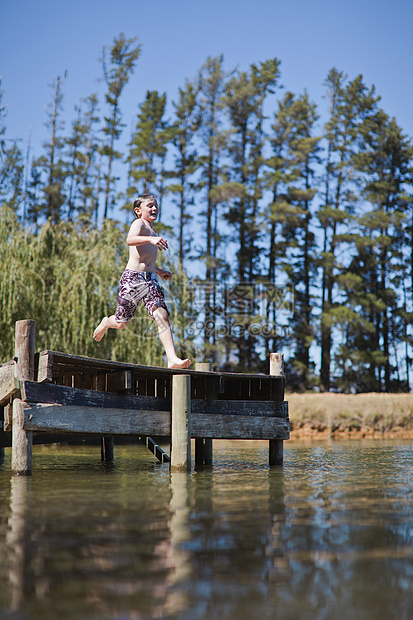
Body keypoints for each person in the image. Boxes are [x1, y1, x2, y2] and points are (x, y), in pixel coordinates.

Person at [93, 194, 191, 369]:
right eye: (150, 206)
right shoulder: (138, 224)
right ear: (138, 211)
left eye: (156, 206)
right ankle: (107, 322)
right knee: (121, 324)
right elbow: (130, 240)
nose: (154, 209)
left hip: (150, 280)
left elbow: (146, 260)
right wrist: (150, 239)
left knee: (161, 315)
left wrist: (159, 272)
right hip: (133, 279)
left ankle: (172, 359)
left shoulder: (152, 231)